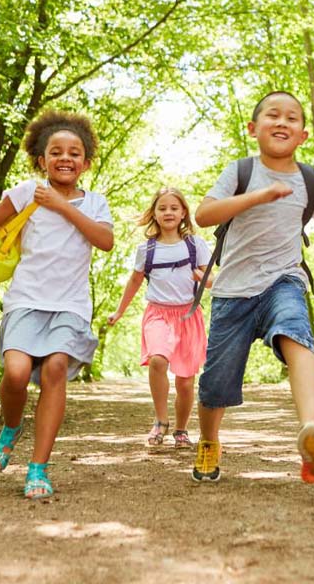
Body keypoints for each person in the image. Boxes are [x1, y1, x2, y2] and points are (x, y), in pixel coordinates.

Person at [191, 91, 314, 484]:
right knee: (216, 382)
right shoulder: (241, 171)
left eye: (292, 118)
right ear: (253, 128)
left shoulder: (310, 180)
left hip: (285, 278)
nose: (283, 122)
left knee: (296, 332)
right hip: (233, 291)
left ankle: (311, 429)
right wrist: (259, 195)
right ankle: (209, 440)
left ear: (304, 135)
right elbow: (204, 214)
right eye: (273, 115)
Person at [0, 110, 114, 499]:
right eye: (55, 152)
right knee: (15, 372)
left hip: (71, 304)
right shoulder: (26, 192)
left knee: (55, 369)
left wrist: (62, 206)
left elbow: (105, 241)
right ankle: (11, 427)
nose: (65, 158)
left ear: (86, 163)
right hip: (26, 299)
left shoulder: (94, 203)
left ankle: (38, 468)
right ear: (41, 160)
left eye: (74, 153)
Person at [107, 187, 210, 450]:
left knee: (186, 382)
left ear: (184, 212)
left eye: (174, 208)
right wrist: (119, 311)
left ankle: (181, 430)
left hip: (188, 315)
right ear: (154, 213)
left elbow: (211, 280)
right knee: (157, 360)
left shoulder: (195, 245)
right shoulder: (147, 249)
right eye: (162, 208)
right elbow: (134, 281)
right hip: (158, 314)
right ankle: (161, 420)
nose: (168, 212)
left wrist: (202, 277)